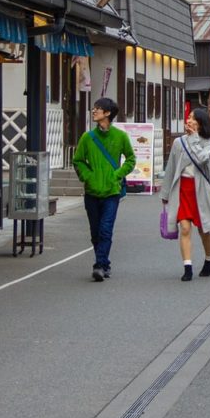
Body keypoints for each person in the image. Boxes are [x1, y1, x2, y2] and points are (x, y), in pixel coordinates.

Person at [71, 97, 134, 282]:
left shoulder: (120, 136)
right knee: (95, 232)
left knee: (106, 229)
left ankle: (99, 265)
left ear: (107, 113)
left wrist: (117, 175)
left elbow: (131, 159)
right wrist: (87, 177)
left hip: (111, 192)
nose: (93, 111)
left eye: (97, 108)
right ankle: (104, 263)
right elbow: (78, 161)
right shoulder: (87, 137)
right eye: (94, 108)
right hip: (91, 192)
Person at [161, 107, 210, 281]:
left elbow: (201, 158)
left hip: (200, 190)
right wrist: (165, 193)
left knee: (204, 230)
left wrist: (194, 137)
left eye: (193, 118)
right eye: (188, 117)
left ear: (201, 123)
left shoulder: (209, 142)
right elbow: (171, 168)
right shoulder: (179, 142)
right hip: (182, 189)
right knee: (185, 228)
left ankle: (209, 260)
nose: (189, 121)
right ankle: (187, 266)